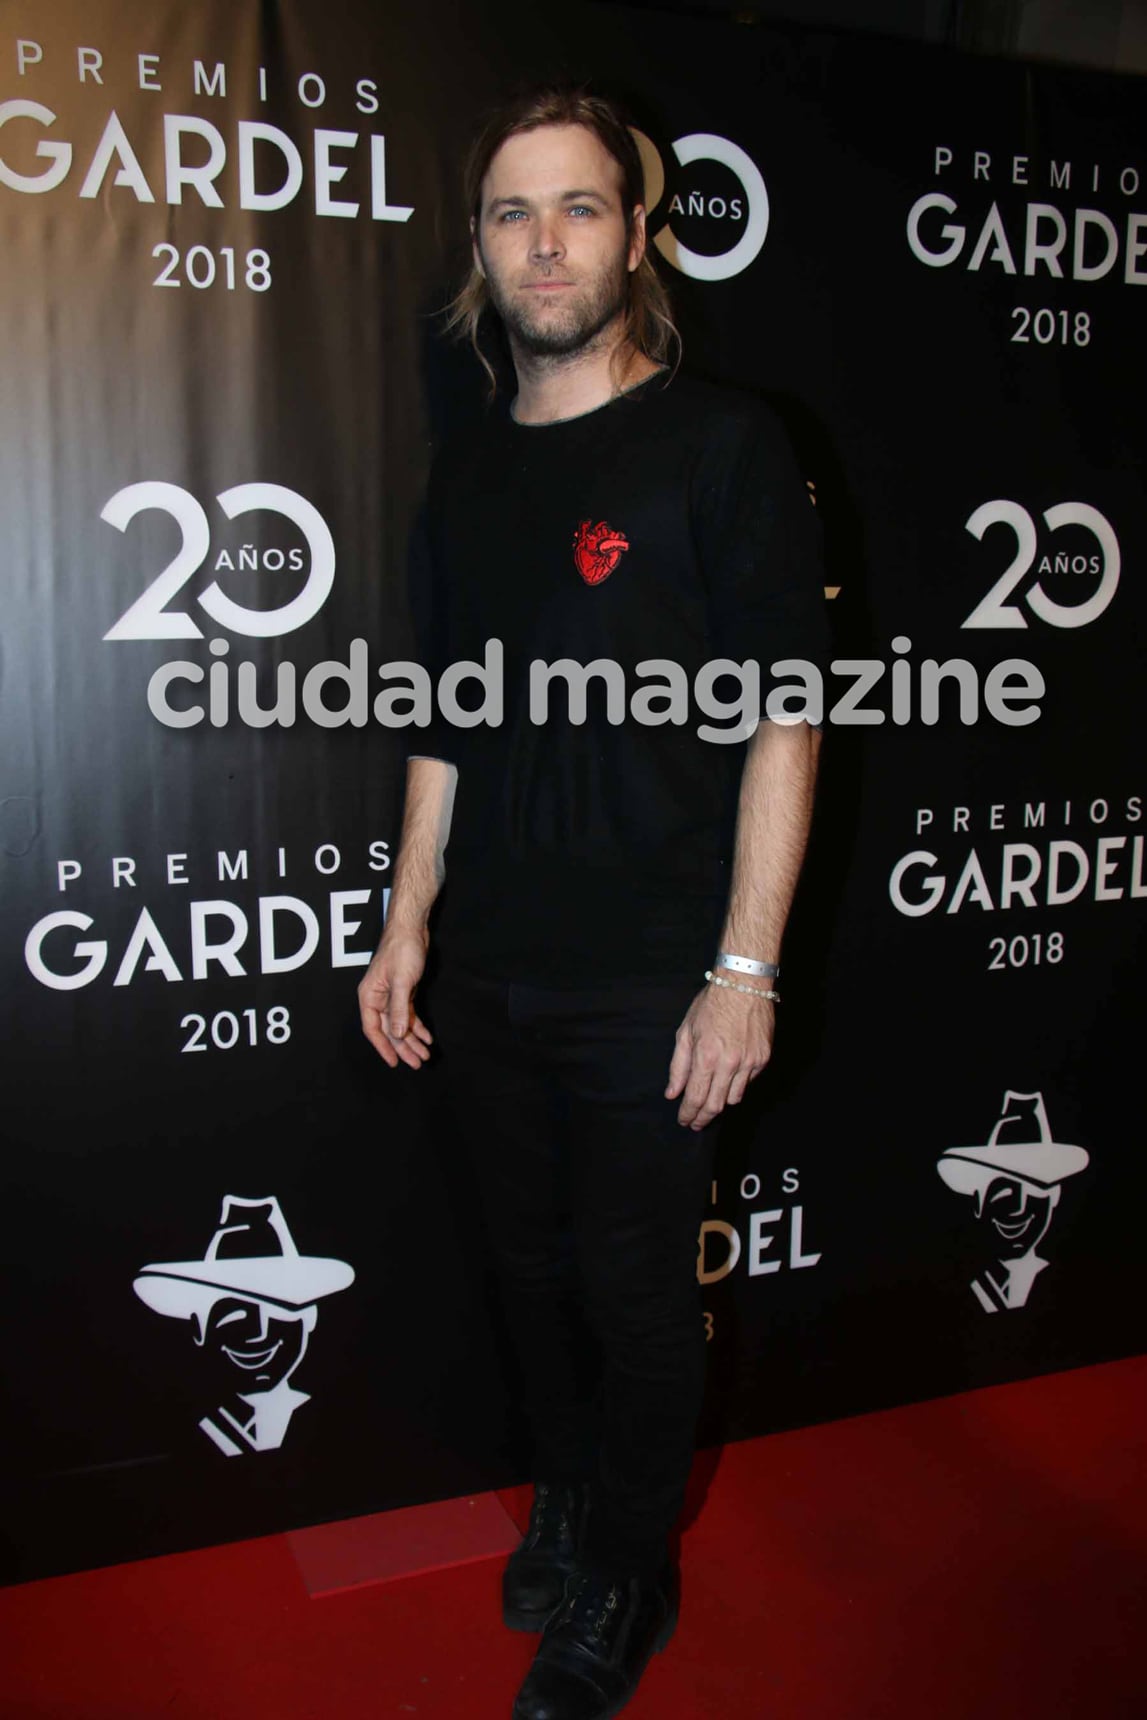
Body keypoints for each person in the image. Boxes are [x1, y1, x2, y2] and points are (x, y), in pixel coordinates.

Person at [358, 86, 829, 1720]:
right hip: (487, 963)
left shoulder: (724, 445)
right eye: (510, 214)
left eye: (577, 208)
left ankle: (628, 1569)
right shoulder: (472, 472)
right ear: (482, 256)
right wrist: (406, 917)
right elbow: (447, 715)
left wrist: (745, 968)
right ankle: (571, 1492)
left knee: (636, 1294)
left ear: (639, 236)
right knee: (531, 1273)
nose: (544, 243)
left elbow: (786, 712)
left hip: (650, 977)